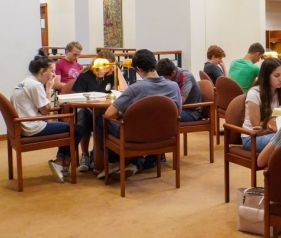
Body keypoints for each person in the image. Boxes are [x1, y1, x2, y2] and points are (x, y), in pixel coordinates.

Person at [99, 49, 182, 179]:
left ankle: (112, 161)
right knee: (142, 127)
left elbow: (109, 114)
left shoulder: (136, 88)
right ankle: (134, 163)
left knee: (101, 119)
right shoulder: (173, 86)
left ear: (138, 68)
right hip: (165, 135)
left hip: (138, 137)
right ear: (155, 63)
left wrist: (124, 115)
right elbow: (177, 112)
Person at [10, 49, 82, 183]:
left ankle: (61, 162)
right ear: (43, 71)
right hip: (32, 127)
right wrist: (49, 89)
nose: (54, 74)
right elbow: (45, 111)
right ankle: (62, 163)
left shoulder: (26, 81)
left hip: (22, 125)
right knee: (77, 129)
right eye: (52, 71)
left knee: (71, 128)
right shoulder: (36, 85)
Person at [71, 50, 128, 172]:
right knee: (84, 115)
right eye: (102, 67)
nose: (104, 70)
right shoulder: (85, 75)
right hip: (87, 108)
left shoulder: (112, 75)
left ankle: (97, 154)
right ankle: (85, 154)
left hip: (106, 109)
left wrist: (117, 71)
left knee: (105, 117)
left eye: (108, 68)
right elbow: (78, 98)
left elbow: (124, 92)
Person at [242, 58, 281, 153]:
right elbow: (257, 128)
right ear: (266, 76)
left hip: (274, 133)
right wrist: (277, 111)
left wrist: (268, 128)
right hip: (251, 137)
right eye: (276, 75)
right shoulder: (254, 94)